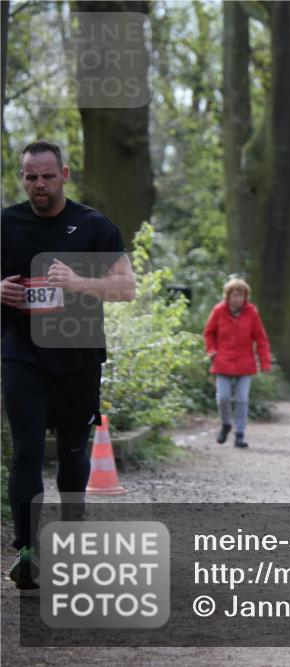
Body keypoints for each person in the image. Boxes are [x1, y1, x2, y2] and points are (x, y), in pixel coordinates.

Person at [1, 140, 136, 589]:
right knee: (25, 451)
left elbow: (126, 288)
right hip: (22, 355)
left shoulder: (93, 225)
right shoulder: (7, 224)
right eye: (30, 177)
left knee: (74, 452)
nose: (38, 184)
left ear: (65, 174)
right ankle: (26, 551)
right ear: (22, 178)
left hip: (78, 359)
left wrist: (78, 281)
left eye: (47, 175)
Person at [203, 278, 272, 449]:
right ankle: (226, 424)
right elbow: (209, 333)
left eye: (241, 296)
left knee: (242, 399)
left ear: (246, 297)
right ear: (228, 296)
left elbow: (261, 339)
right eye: (235, 295)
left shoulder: (252, 313)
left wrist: (265, 362)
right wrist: (211, 350)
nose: (238, 299)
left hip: (244, 363)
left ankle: (240, 433)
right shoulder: (218, 311)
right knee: (223, 398)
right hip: (223, 361)